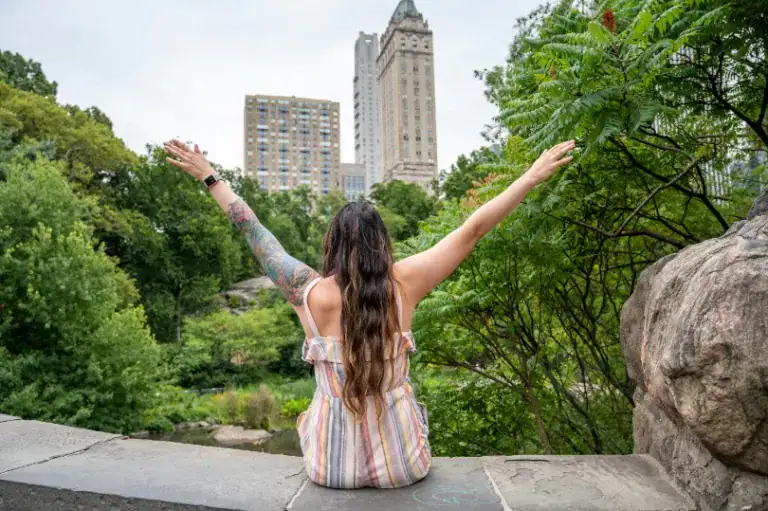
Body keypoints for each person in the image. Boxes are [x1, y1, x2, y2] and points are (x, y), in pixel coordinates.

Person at [164, 138, 575, 489]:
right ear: (382, 242)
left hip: (330, 469)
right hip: (403, 467)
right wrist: (530, 177)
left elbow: (255, 232)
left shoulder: (306, 293)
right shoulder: (406, 284)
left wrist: (210, 176)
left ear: (332, 244)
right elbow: (472, 230)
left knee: (315, 413)